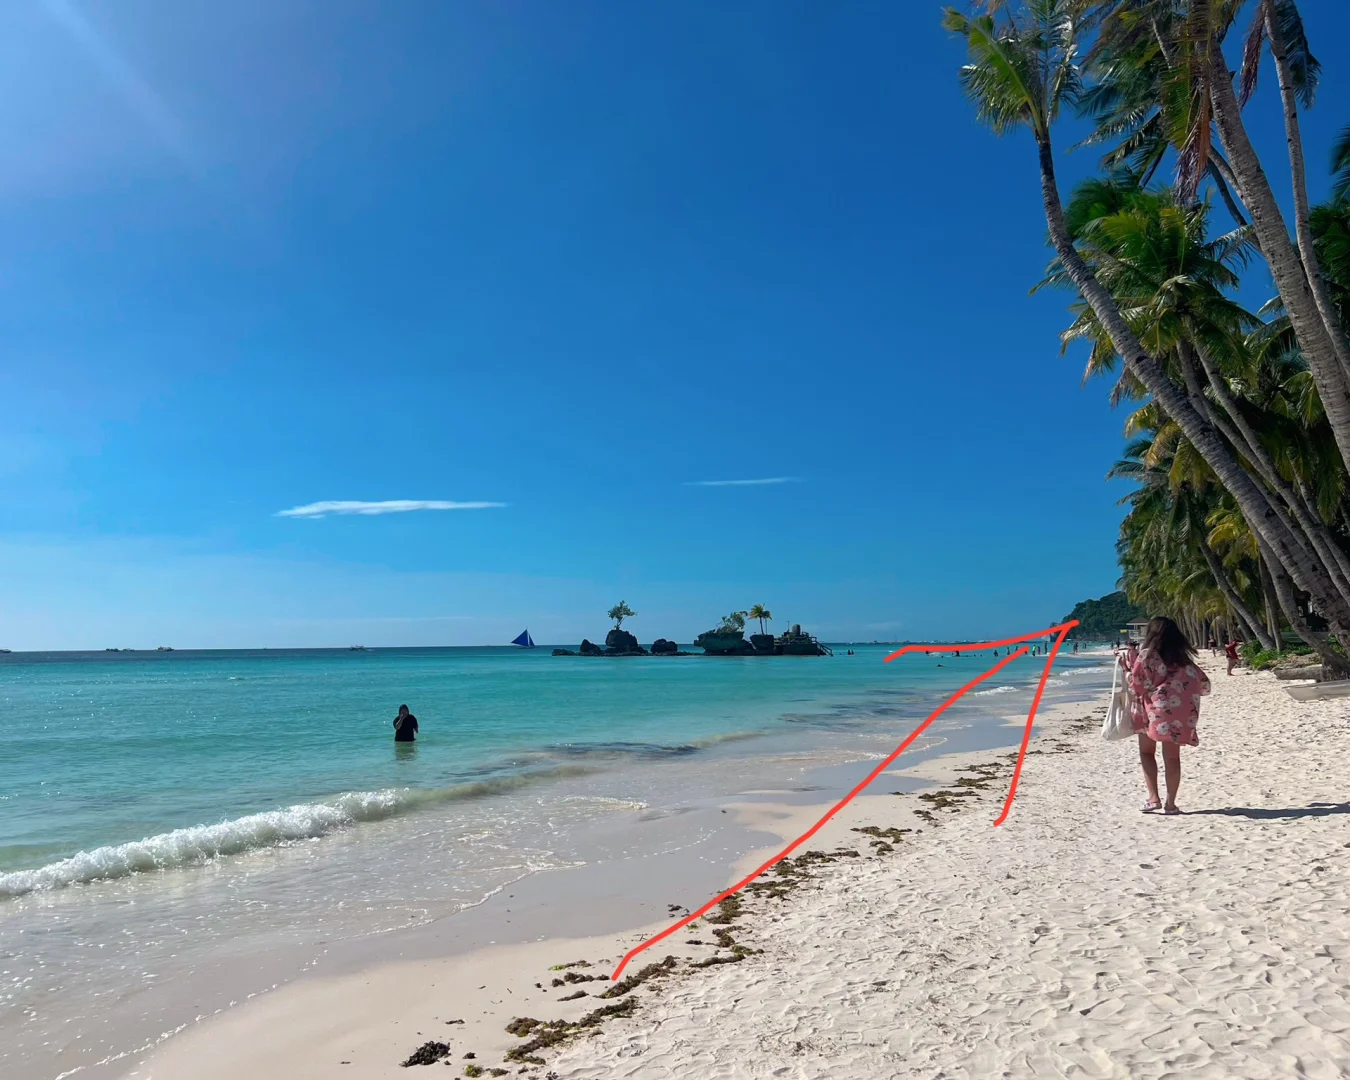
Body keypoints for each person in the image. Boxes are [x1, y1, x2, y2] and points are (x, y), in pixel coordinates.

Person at [1126, 617, 1211, 816]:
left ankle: (1153, 798)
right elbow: (1204, 684)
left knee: (1147, 752)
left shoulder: (1147, 655)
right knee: (1172, 757)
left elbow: (1136, 684)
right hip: (1180, 712)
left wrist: (1127, 672)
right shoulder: (1182, 658)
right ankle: (1171, 804)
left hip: (1152, 708)